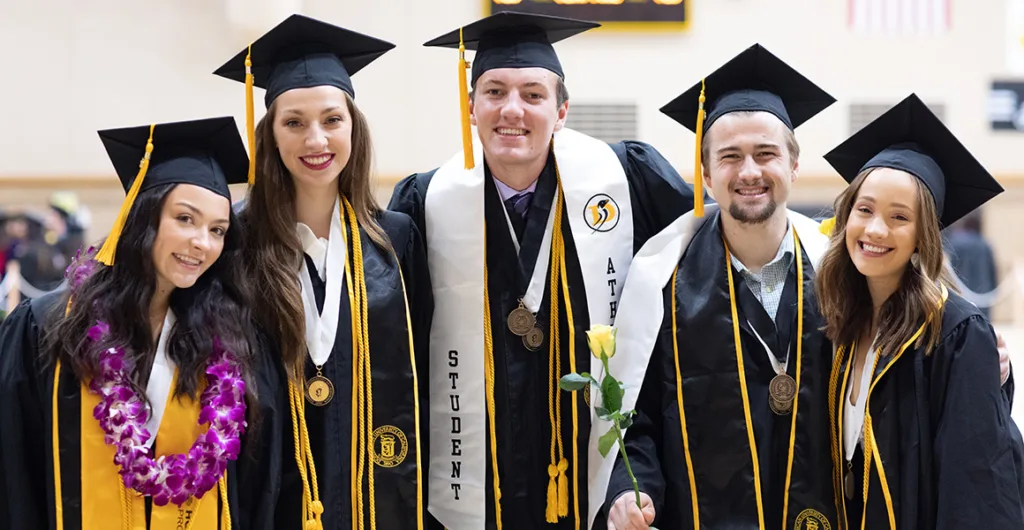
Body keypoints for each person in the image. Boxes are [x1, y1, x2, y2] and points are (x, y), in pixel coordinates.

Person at [388, 11, 697, 530]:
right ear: (470, 107)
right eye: (494, 92)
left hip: (599, 468)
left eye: (533, 94)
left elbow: (709, 257)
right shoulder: (425, 202)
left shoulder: (626, 180)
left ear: (562, 111)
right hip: (476, 469)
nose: (513, 109)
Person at [601, 44, 840, 530]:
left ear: (793, 166)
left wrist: (993, 367)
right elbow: (635, 418)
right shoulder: (661, 280)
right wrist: (631, 490)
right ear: (706, 175)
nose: (749, 171)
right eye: (730, 157)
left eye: (766, 154)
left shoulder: (843, 273)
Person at [0, 116, 279, 529]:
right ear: (144, 217)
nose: (202, 242)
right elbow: (14, 469)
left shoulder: (230, 342)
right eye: (185, 219)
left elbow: (254, 484)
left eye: (217, 230)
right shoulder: (49, 328)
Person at [214, 14, 432, 530]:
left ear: (353, 126)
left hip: (375, 488)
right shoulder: (233, 241)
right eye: (294, 122)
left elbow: (421, 362)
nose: (316, 139)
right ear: (268, 134)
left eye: (332, 119)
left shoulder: (396, 238)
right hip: (267, 488)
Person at [815, 93, 1024, 529]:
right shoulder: (836, 326)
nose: (875, 229)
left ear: (922, 235)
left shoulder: (955, 334)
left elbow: (977, 488)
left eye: (899, 217)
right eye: (865, 209)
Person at [943, 210, 998, 320]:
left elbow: (951, 270)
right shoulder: (985, 244)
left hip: (961, 292)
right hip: (983, 292)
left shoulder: (955, 243)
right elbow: (992, 271)